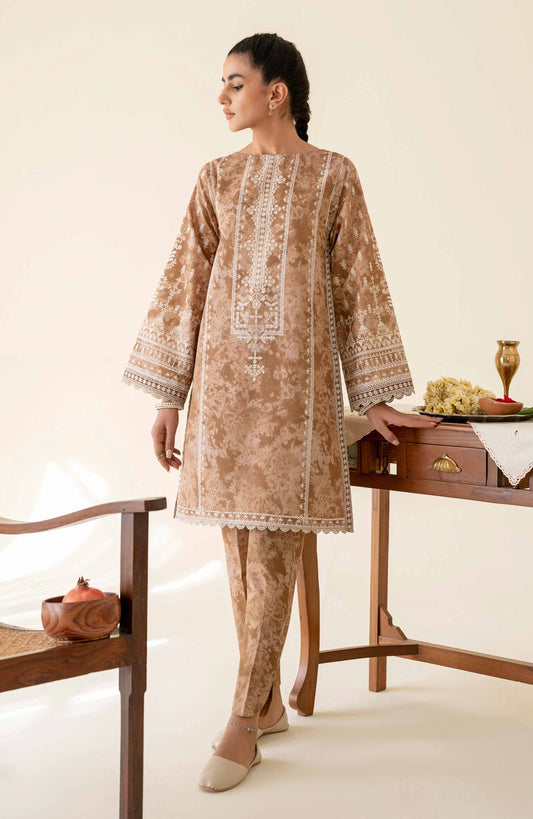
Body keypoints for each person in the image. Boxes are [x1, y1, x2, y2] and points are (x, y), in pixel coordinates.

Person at [122, 32, 443, 793]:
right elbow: (184, 284)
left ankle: (242, 717)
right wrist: (170, 398)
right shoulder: (216, 180)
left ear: (278, 93)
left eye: (235, 83)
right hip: (222, 395)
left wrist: (372, 394)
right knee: (239, 548)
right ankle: (264, 701)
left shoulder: (333, 176)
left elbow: (358, 283)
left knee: (270, 547)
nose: (222, 97)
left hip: (296, 402)